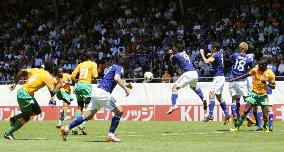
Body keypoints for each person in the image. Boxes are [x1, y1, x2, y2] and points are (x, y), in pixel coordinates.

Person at [60, 55, 132, 142]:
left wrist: (126, 84)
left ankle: (67, 128)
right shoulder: (120, 67)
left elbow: (115, 78)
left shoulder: (112, 67)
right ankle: (111, 134)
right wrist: (126, 89)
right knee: (119, 111)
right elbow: (117, 78)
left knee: (87, 116)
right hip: (103, 93)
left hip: (96, 92)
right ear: (125, 63)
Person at [4, 61, 61, 140]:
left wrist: (15, 83)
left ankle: (14, 118)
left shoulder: (36, 70)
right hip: (25, 94)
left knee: (37, 111)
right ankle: (8, 133)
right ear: (51, 68)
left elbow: (21, 71)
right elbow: (52, 93)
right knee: (26, 116)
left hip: (24, 93)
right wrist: (58, 86)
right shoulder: (47, 76)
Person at [229, 59, 275, 132]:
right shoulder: (255, 70)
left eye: (260, 65)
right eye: (258, 65)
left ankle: (265, 126)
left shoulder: (270, 73)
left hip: (263, 95)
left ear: (265, 66)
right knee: (246, 110)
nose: (258, 67)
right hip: (253, 94)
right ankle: (237, 127)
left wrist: (267, 83)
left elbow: (274, 86)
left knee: (265, 115)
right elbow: (246, 75)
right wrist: (235, 79)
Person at [166, 39, 207, 114]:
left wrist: (170, 54)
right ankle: (203, 98)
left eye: (174, 46)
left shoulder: (176, 55)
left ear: (176, 47)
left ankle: (174, 105)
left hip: (187, 74)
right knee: (193, 87)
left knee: (174, 88)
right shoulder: (185, 53)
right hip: (194, 73)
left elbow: (172, 62)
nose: (173, 47)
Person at [200, 43, 230, 124]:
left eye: (212, 49)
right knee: (219, 97)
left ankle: (210, 115)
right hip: (221, 77)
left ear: (214, 48)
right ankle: (227, 114)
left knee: (211, 94)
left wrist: (202, 54)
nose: (210, 50)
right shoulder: (220, 54)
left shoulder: (216, 55)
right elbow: (214, 61)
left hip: (218, 78)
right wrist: (210, 55)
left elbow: (206, 61)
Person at [228, 42, 255, 127]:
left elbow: (231, 59)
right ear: (246, 49)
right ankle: (248, 115)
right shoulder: (249, 58)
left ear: (239, 48)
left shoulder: (235, 55)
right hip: (241, 80)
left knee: (234, 99)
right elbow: (252, 68)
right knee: (247, 99)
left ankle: (235, 116)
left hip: (232, 79)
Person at [70, 55, 98, 135]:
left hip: (78, 85)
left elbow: (72, 76)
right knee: (87, 107)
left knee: (79, 108)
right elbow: (95, 75)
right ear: (92, 58)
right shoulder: (93, 64)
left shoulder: (80, 64)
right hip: (86, 85)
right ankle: (82, 125)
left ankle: (74, 128)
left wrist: (74, 85)